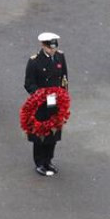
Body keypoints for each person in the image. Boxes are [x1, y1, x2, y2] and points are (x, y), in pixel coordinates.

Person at [24, 32, 69, 177]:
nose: (53, 50)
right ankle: (39, 163)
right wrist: (40, 95)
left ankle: (48, 160)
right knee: (40, 134)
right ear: (43, 46)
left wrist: (63, 97)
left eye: (54, 48)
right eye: (50, 48)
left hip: (56, 103)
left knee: (53, 133)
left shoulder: (60, 57)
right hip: (41, 105)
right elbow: (29, 84)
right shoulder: (34, 62)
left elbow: (64, 78)